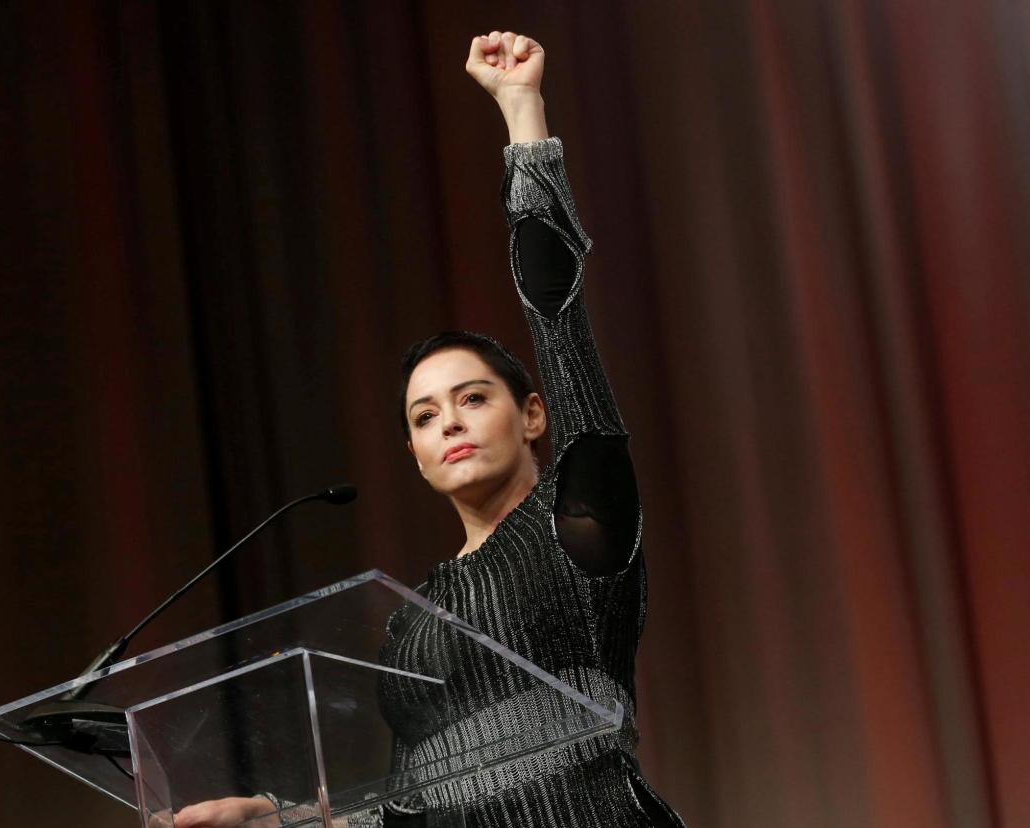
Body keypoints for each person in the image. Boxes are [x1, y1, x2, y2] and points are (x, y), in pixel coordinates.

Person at [172, 29, 686, 828]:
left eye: (474, 398)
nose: (448, 420)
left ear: (536, 415)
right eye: (424, 415)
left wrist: (523, 113)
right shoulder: (412, 618)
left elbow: (561, 321)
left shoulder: (580, 530)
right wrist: (288, 823)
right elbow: (407, 807)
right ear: (411, 456)